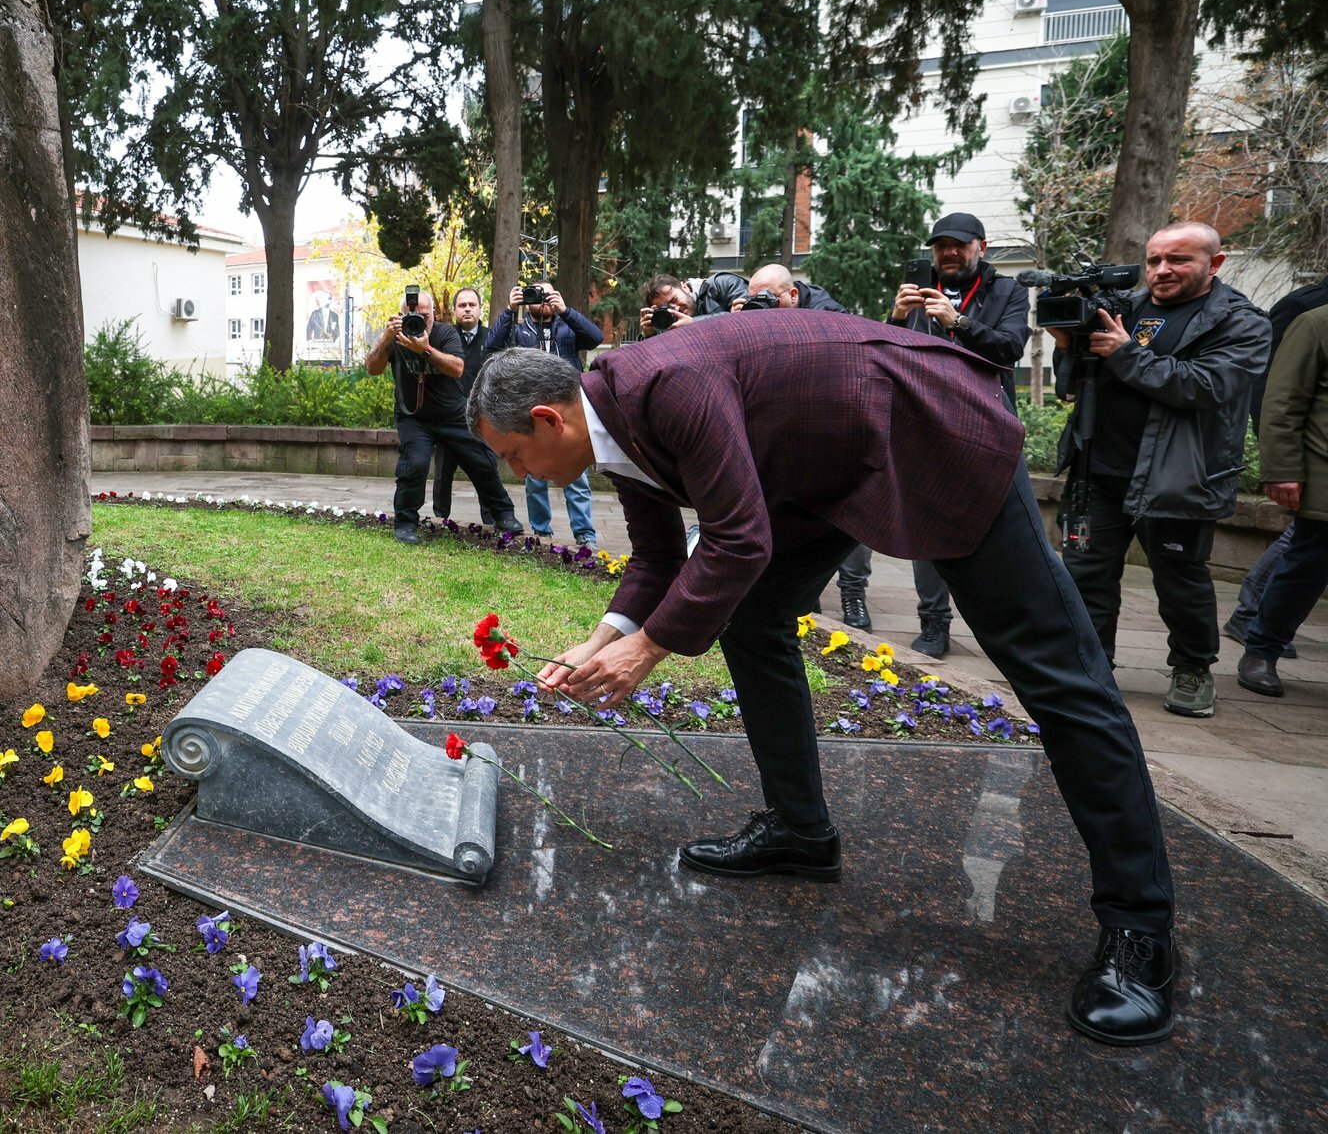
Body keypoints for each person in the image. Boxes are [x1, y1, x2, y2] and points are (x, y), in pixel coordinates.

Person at [467, 326, 1179, 1046]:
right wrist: (601, 641)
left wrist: (649, 648)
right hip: (823, 470)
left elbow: (738, 537)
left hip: (932, 435)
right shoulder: (614, 418)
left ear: (550, 419)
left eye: (513, 454)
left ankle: (1140, 932)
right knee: (750, 611)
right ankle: (801, 831)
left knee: (1061, 678)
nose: (520, 471)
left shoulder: (667, 387)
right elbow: (658, 555)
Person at [1050, 223, 1270, 720]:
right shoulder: (1126, 306)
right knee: (1086, 578)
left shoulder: (1242, 322)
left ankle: (1192, 668)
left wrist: (1127, 353)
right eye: (1153, 260)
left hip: (1178, 477)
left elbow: (1207, 386)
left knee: (1180, 581)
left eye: (1178, 260)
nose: (1161, 271)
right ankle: (1091, 669)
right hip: (1098, 472)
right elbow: (1077, 386)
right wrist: (1069, 344)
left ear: (1215, 263)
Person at [848, 211, 1032, 657]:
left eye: (960, 245)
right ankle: (935, 624)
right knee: (927, 527)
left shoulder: (1007, 291)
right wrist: (893, 318)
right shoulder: (917, 290)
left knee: (1008, 530)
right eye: (941, 246)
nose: (949, 253)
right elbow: (883, 353)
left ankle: (1013, 625)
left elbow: (1010, 348)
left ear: (981, 248)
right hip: (925, 422)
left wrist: (960, 322)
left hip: (989, 421)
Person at [1223, 273, 1328, 653]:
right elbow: (1271, 387)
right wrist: (1281, 459)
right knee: (1307, 544)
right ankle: (1251, 615)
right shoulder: (1306, 306)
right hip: (1311, 454)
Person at [366, 289, 521, 544]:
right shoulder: (395, 336)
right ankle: (405, 523)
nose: (419, 320)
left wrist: (425, 349)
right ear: (401, 316)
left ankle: (503, 514)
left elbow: (457, 368)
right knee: (413, 465)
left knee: (482, 461)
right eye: (411, 316)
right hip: (413, 416)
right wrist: (385, 338)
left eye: (425, 315)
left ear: (434, 314)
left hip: (452, 414)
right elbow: (373, 368)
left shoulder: (445, 332)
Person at [487, 283, 603, 548]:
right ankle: (541, 532)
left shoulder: (567, 327)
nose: (541, 300)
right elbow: (492, 348)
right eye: (534, 295)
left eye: (546, 293)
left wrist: (566, 311)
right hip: (532, 411)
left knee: (577, 476)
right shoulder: (518, 331)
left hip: (569, 410)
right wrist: (509, 310)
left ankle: (585, 534)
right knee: (534, 475)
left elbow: (596, 337)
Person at [433, 287, 500, 522]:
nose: (468, 309)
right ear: (454, 311)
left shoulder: (491, 338)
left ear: (481, 309)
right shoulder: (445, 338)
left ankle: (492, 517)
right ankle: (440, 518)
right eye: (462, 305)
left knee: (485, 468)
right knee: (443, 471)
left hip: (481, 418)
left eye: (472, 304)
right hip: (448, 414)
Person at [735, 264, 846, 313]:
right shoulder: (755, 308)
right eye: (754, 299)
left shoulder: (828, 313)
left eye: (766, 299)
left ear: (793, 295)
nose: (760, 306)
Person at [637, 274, 697, 339]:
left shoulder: (708, 293)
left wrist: (694, 323)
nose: (676, 309)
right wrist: (649, 335)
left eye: (674, 300)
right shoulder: (667, 323)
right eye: (667, 308)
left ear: (684, 287)